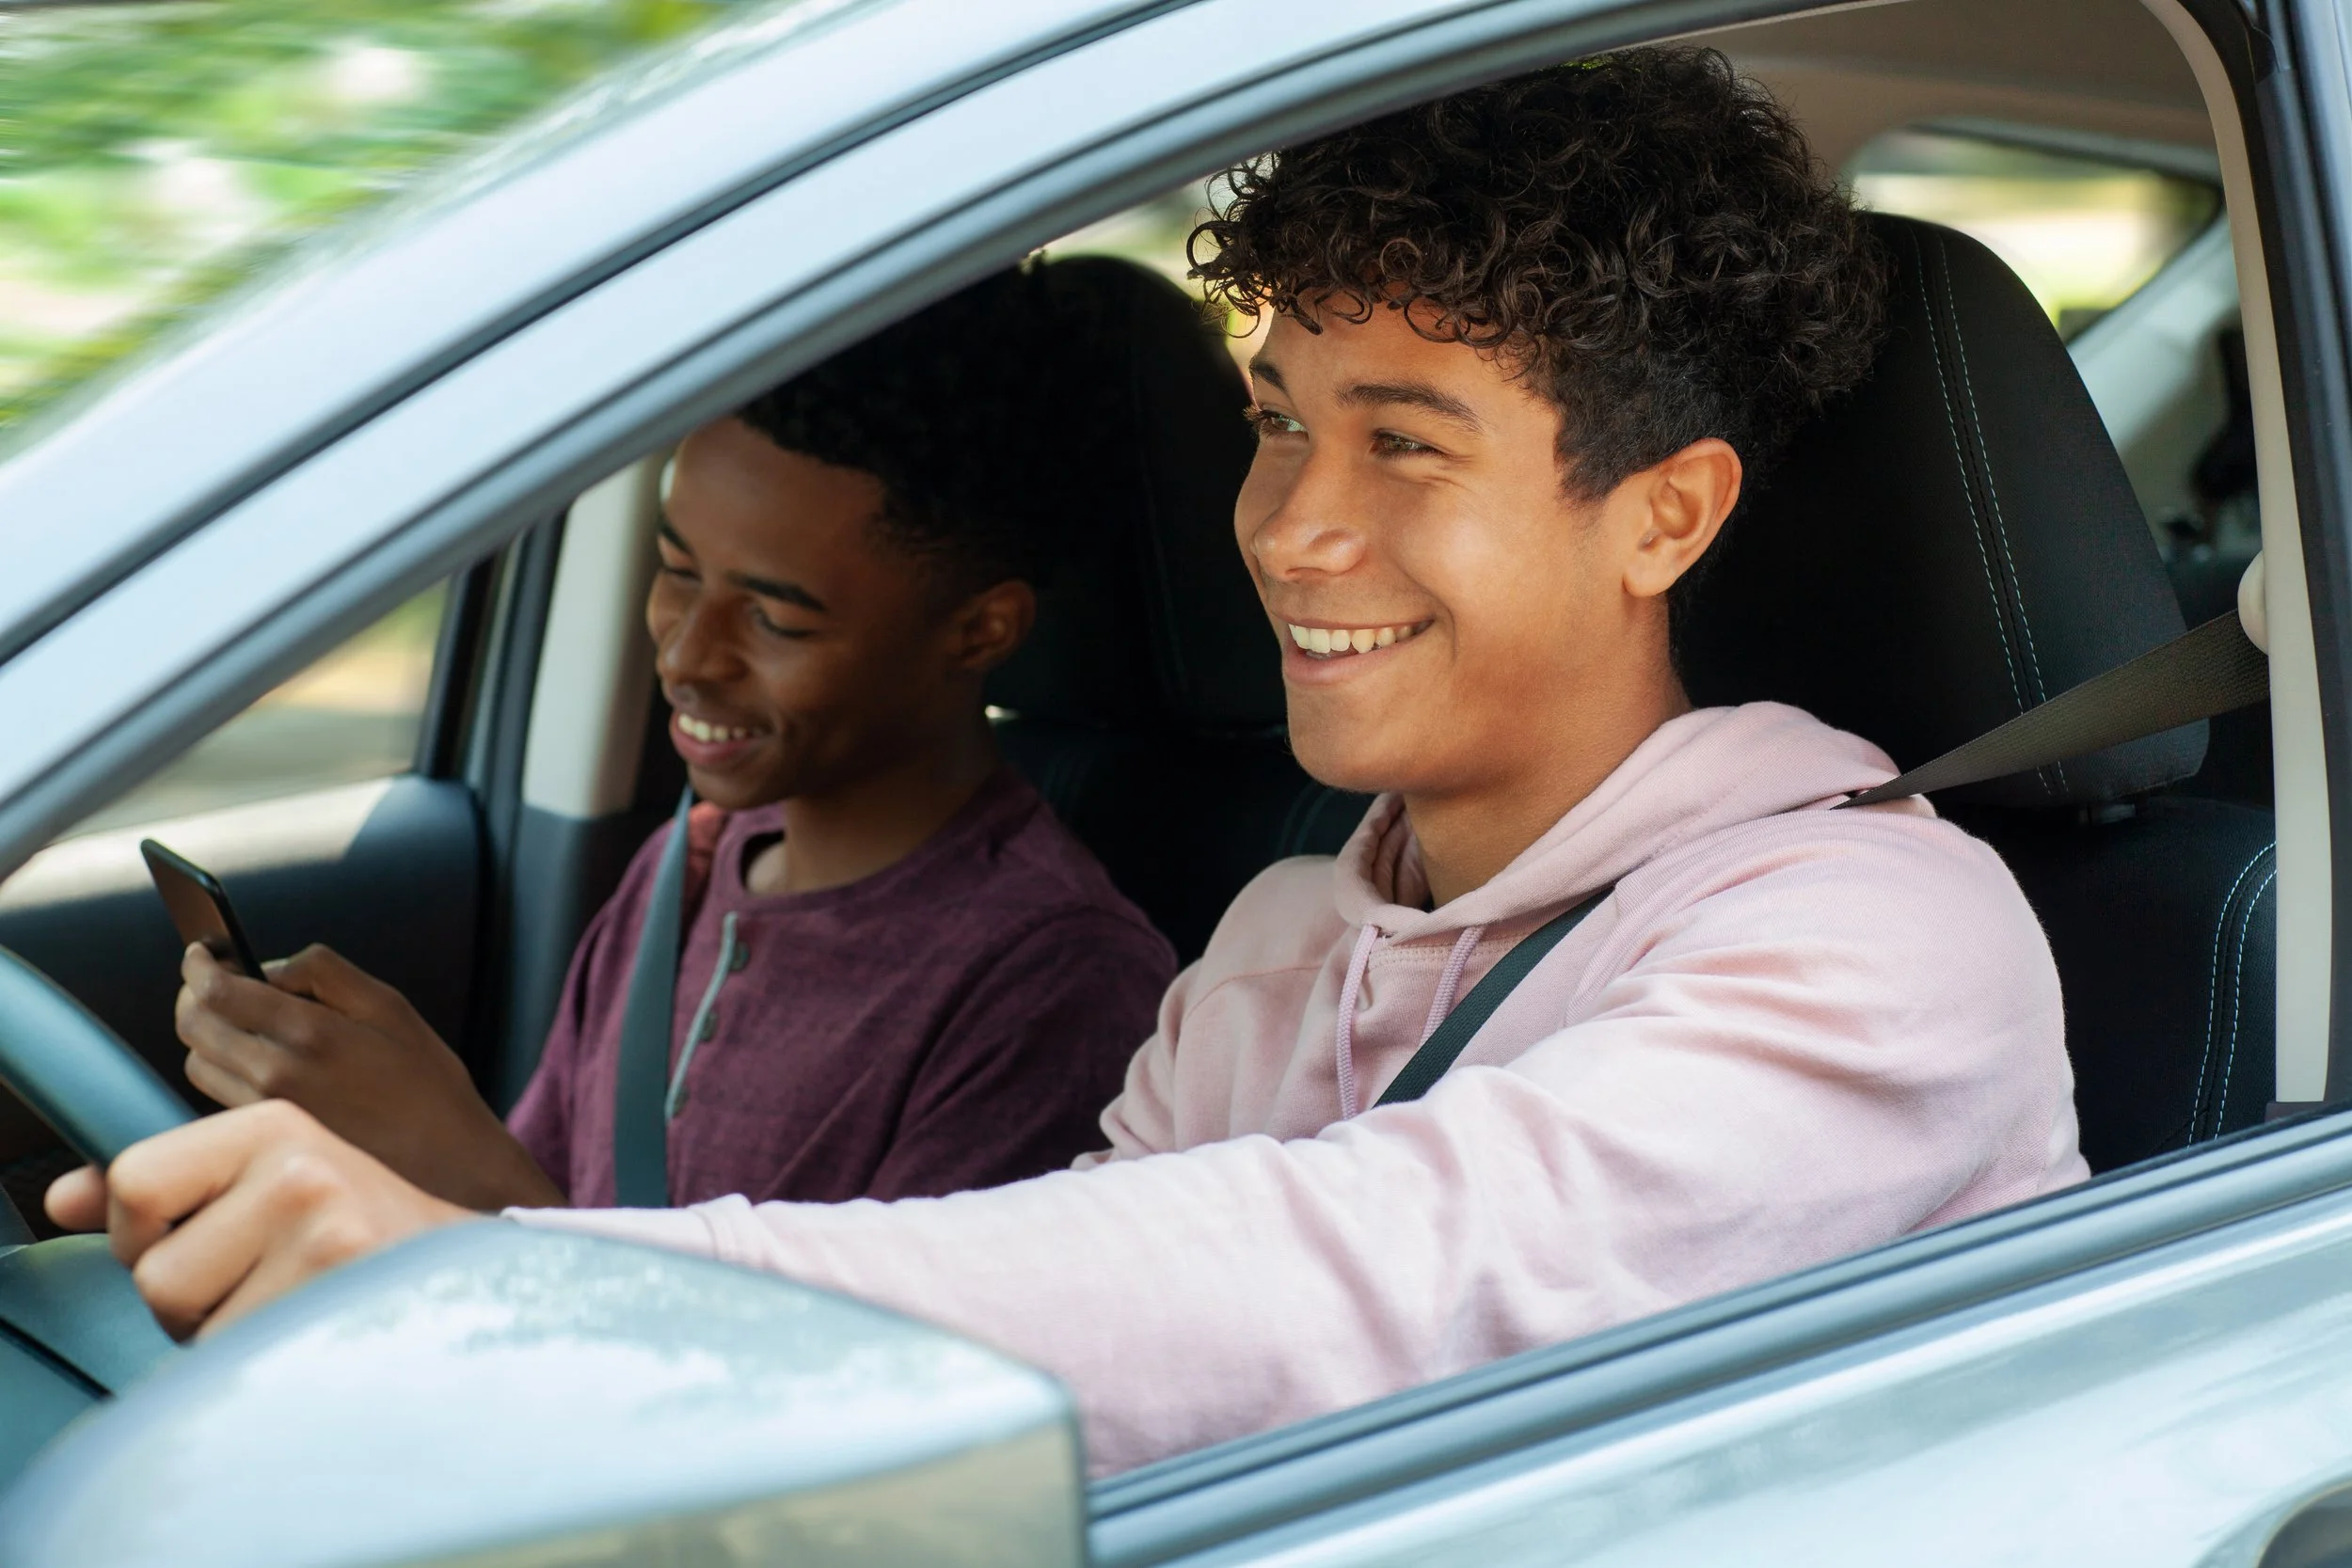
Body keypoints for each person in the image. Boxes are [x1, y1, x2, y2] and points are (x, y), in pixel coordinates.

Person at [53, 50, 2088, 1476]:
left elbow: (1368, 1272)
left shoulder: (1875, 930)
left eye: (1402, 439)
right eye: (1278, 417)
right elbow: (1053, 1341)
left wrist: (502, 1280)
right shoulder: (1280, 934)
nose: (1287, 521)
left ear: (1662, 514)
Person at [164, 261, 1180, 1212]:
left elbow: (854, 1395)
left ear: (978, 630)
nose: (690, 655)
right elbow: (540, 1211)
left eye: (775, 619)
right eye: (676, 569)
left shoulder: (1051, 987)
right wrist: (366, 1136)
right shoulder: (678, 876)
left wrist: (445, 1146)